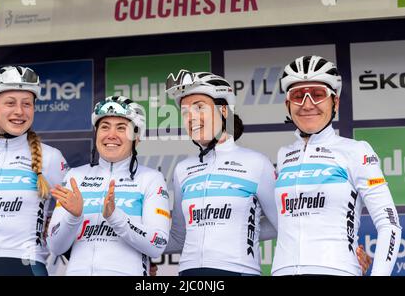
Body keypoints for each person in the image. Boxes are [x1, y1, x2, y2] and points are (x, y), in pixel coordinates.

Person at [272, 55, 402, 276]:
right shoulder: (284, 155)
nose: (307, 104)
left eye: (317, 94)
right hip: (282, 272)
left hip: (337, 270)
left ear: (336, 102)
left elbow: (389, 224)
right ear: (288, 105)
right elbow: (273, 220)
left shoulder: (357, 151)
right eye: (297, 96)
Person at [163, 70, 278, 276]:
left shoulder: (256, 163)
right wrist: (121, 236)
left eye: (199, 107)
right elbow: (179, 238)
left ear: (223, 110)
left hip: (240, 270)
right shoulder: (182, 169)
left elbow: (283, 223)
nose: (192, 117)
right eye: (185, 111)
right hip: (189, 274)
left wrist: (246, 231)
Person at [0, 66, 68, 276]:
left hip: (28, 266)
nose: (19, 111)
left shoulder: (51, 157)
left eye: (27, 104)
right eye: (10, 103)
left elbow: (76, 214)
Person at [46, 96, 171, 276]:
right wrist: (74, 217)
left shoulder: (151, 179)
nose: (111, 135)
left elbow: (157, 244)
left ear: (136, 137)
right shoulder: (75, 176)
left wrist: (115, 217)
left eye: (121, 128)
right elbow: (55, 246)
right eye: (104, 127)